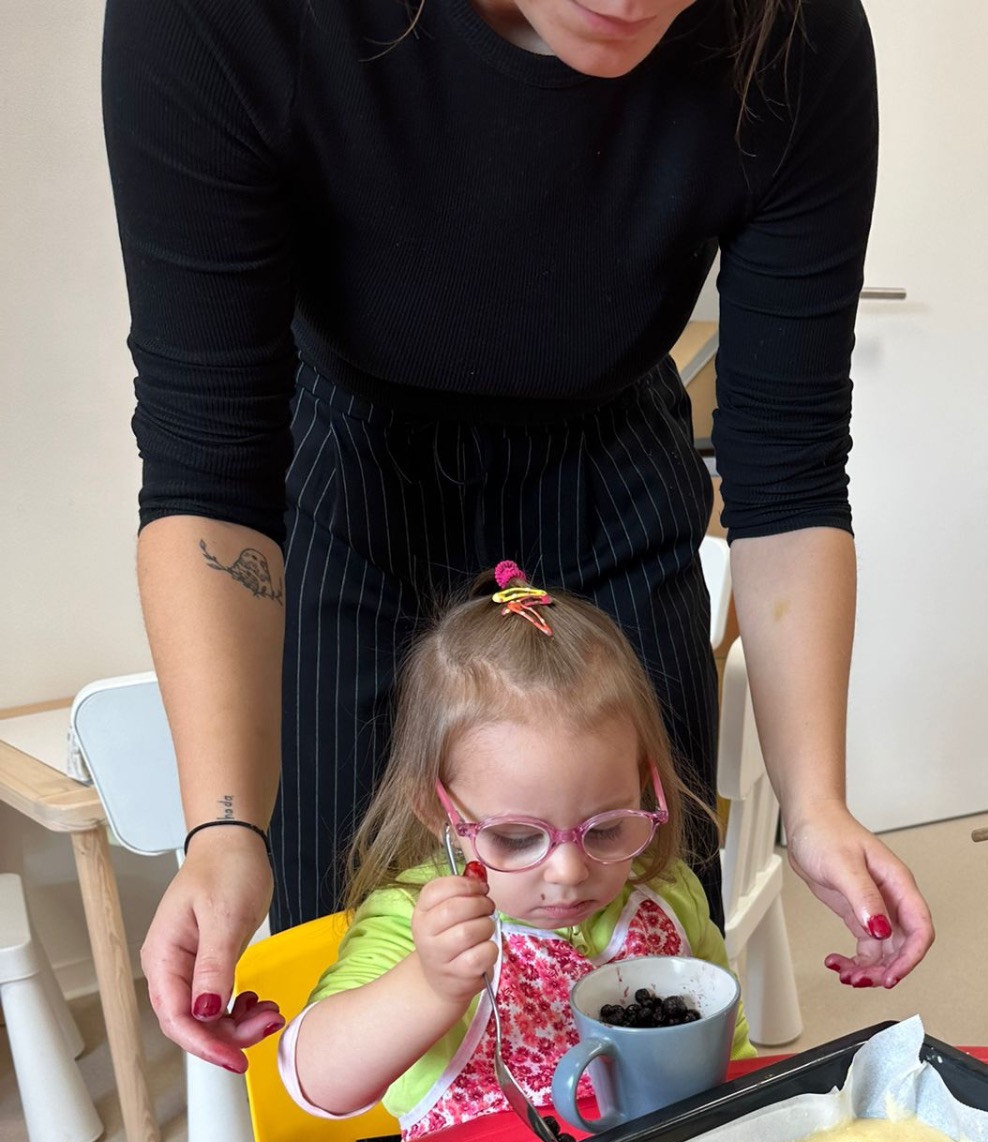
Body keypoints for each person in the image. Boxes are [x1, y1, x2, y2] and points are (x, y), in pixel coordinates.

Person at [101, 0, 934, 1078]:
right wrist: (223, 831)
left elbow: (790, 472)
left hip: (613, 466)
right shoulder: (227, 21)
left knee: (644, 948)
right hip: (356, 478)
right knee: (363, 974)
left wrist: (813, 804)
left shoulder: (793, 33)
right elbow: (210, 465)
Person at [277, 565, 753, 1135]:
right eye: (517, 838)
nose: (569, 871)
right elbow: (316, 1081)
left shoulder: (668, 894)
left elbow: (729, 1056)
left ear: (645, 786)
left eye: (606, 828)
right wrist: (429, 985)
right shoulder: (414, 921)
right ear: (438, 810)